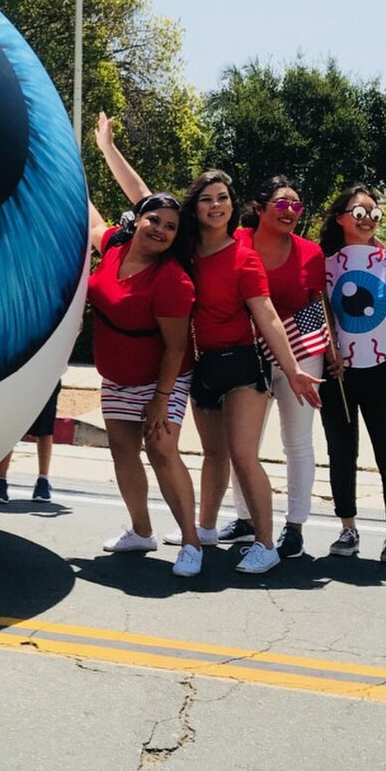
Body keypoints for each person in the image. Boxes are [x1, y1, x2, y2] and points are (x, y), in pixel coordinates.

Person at [95, 114, 321, 574]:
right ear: (195, 208)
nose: (216, 206)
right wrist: (108, 150)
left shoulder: (243, 255)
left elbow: (269, 316)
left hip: (242, 365)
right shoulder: (184, 243)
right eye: (208, 200)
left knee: (240, 453)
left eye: (224, 199)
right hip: (201, 366)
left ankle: (265, 543)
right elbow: (143, 201)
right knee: (214, 454)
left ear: (232, 206)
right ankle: (204, 528)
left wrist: (294, 368)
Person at [86, 192, 203, 577]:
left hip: (161, 377)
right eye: (154, 220)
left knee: (162, 449)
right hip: (117, 374)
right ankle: (141, 531)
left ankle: (191, 541)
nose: (161, 230)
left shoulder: (173, 280)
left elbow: (176, 346)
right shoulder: (114, 249)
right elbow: (92, 221)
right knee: (122, 450)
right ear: (137, 220)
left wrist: (160, 398)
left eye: (171, 227)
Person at [218, 177, 327, 558]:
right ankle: (246, 518)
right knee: (243, 442)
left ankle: (295, 526)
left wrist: (330, 356)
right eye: (282, 204)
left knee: (297, 440)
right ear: (260, 208)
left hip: (300, 355)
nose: (291, 212)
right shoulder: (238, 241)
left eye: (297, 205)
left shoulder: (312, 252)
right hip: (247, 354)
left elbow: (316, 309)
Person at [319, 185, 386, 564]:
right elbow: (319, 314)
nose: (369, 220)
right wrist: (330, 354)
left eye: (375, 214)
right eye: (360, 213)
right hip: (337, 371)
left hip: (381, 366)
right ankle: (348, 527)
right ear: (341, 217)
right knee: (341, 450)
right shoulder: (323, 264)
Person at [0, 383, 60, 504]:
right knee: (45, 429)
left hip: (19, 377)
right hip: (47, 378)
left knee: (9, 428)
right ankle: (43, 482)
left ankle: (1, 482)